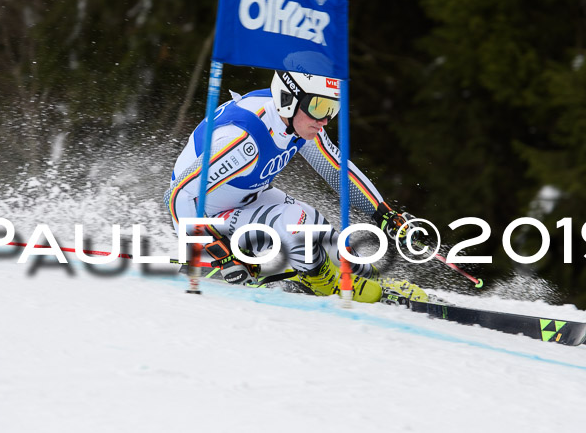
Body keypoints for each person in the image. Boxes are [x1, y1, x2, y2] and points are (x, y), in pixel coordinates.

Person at [164, 70, 427, 304]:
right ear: (288, 100)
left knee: (315, 222)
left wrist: (384, 215)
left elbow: (336, 170)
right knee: (293, 220)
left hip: (246, 198)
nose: (325, 120)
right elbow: (178, 195)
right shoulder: (242, 141)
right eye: (320, 107)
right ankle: (323, 281)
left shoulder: (298, 121)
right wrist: (214, 252)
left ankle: (366, 276)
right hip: (207, 215)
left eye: (332, 109)